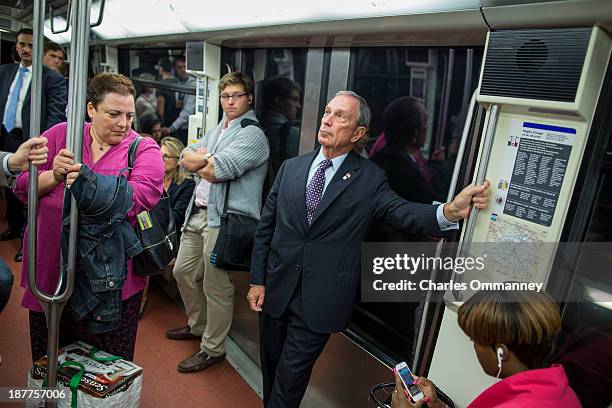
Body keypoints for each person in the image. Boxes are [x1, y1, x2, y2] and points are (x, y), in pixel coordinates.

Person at [247, 90, 490, 408]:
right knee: (272, 370)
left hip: (319, 302)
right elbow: (266, 227)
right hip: (276, 291)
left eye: (340, 116)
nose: (327, 120)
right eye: (327, 112)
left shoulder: (370, 179)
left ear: (359, 133)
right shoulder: (292, 168)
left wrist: (448, 212)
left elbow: (401, 212)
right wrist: (257, 280)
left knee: (289, 383)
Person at [14, 73, 164, 362]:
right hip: (50, 266)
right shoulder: (60, 135)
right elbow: (23, 187)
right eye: (114, 114)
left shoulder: (142, 148)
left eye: (129, 115)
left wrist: (85, 180)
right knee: (49, 357)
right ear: (91, 109)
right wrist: (54, 175)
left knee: (106, 363)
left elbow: (140, 196)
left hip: (108, 277)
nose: (123, 123)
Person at [167, 71, 269, 373]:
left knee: (216, 286)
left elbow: (216, 170)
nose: (230, 101)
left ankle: (213, 348)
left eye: (237, 95)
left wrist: (203, 160)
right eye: (225, 96)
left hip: (224, 221)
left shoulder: (252, 134)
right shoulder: (220, 129)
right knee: (182, 271)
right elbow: (186, 154)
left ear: (249, 97)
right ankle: (197, 325)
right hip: (198, 212)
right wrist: (200, 159)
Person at [391, 289, 581, 408]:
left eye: (475, 340)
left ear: (501, 353)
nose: (473, 346)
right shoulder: (561, 391)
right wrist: (437, 406)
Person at [0, 28, 67, 262]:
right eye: (22, 44)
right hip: (7, 136)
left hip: (34, 141)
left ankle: (25, 240)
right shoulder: (4, 73)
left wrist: (44, 144)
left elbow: (56, 116)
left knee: (30, 191)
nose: (26, 49)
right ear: (16, 46)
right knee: (9, 188)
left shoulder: (51, 78)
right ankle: (13, 226)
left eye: (31, 45)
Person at [371, 96, 448, 205]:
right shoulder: (403, 172)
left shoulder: (378, 161)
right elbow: (437, 205)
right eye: (425, 122)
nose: (427, 128)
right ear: (415, 133)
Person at [258, 77, 302, 177]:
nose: (298, 106)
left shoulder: (257, 125)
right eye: (294, 100)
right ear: (277, 100)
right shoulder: (292, 133)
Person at [161, 57, 196, 146]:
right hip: (178, 125)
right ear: (175, 69)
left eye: (185, 67)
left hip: (186, 127)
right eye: (179, 67)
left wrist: (171, 128)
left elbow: (187, 112)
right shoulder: (179, 83)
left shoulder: (193, 84)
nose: (183, 70)